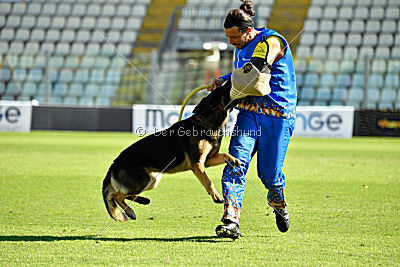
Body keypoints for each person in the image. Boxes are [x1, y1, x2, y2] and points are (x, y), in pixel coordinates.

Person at [210, 0, 297, 239]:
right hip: (248, 113)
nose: (231, 43)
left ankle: (277, 200)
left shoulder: (273, 41)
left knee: (269, 176)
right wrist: (224, 80)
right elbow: (244, 71)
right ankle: (231, 218)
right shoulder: (241, 45)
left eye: (234, 37)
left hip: (277, 116)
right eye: (228, 37)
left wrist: (228, 85)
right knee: (235, 162)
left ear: (248, 31)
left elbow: (255, 71)